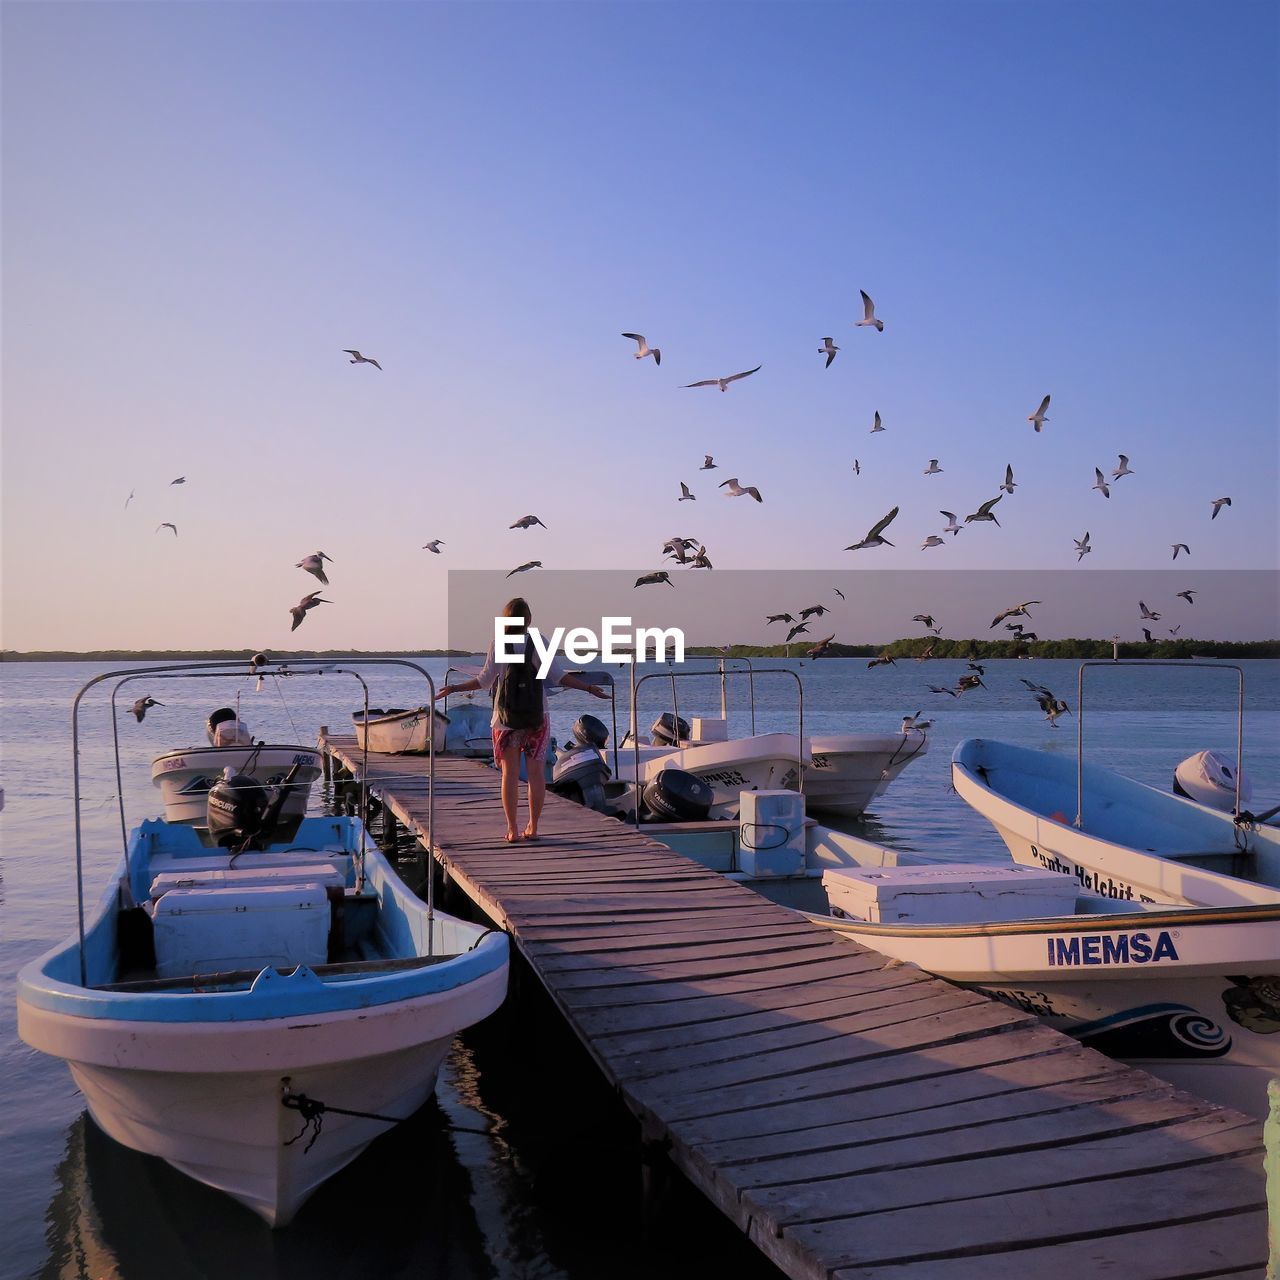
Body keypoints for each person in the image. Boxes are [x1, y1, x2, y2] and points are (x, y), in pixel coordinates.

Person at [435, 598, 608, 844]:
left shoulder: (499, 643)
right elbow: (558, 677)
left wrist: (453, 687)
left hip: (506, 720)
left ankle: (512, 829)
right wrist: (589, 688)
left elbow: (484, 681)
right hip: (537, 717)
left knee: (509, 775)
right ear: (529, 620)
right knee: (536, 775)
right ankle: (534, 827)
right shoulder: (539, 642)